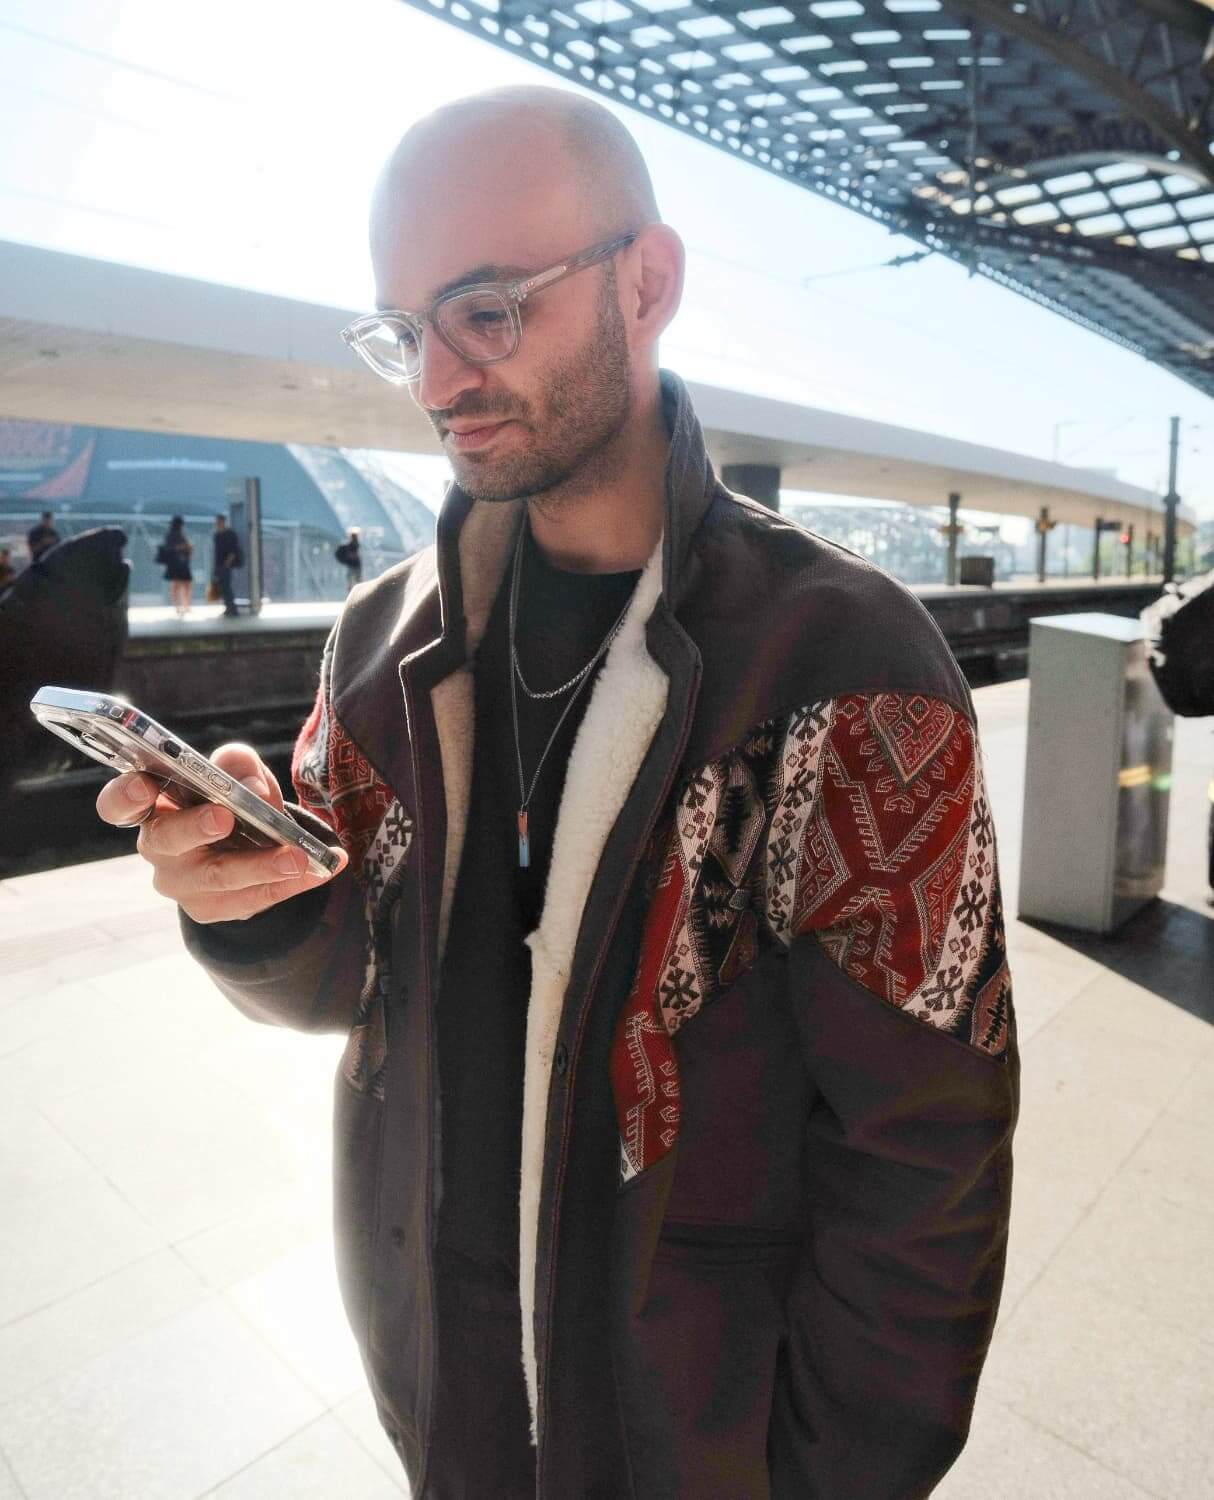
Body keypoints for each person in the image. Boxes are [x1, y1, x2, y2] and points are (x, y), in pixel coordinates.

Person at [97, 87, 1018, 1500]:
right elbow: (347, 989)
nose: (433, 381)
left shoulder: (842, 664)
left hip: (700, 1452)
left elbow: (927, 1157)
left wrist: (834, 1478)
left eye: (486, 310)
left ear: (645, 283)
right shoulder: (382, 645)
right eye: (405, 329)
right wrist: (242, 907)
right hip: (449, 1412)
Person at [158, 515, 193, 616]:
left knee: (182, 584)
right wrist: (184, 547)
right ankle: (180, 606)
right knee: (179, 584)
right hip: (176, 563)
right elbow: (170, 548)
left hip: (180, 562)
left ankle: (183, 606)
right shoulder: (172, 535)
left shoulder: (179, 534)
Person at [211, 513, 241, 617]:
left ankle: (232, 608)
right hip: (218, 564)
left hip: (226, 565)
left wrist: (227, 563)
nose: (217, 524)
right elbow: (216, 552)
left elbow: (233, 550)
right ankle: (228, 607)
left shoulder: (230, 534)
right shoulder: (217, 535)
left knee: (226, 586)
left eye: (219, 522)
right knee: (223, 587)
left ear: (223, 522)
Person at [334, 527, 362, 593]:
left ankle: (354, 593)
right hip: (353, 566)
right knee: (354, 581)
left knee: (354, 581)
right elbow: (352, 555)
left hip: (354, 566)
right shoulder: (351, 546)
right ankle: (353, 594)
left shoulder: (355, 545)